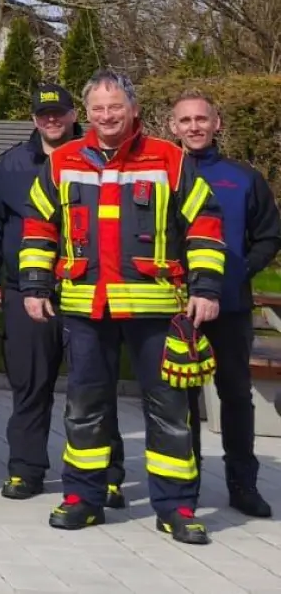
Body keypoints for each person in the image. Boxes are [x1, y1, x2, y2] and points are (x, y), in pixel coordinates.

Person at [21, 69, 225, 545]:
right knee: (84, 407)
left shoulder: (169, 159)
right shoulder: (63, 160)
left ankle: (176, 507)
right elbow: (37, 226)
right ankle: (83, 499)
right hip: (85, 307)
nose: (107, 116)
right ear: (86, 114)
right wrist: (33, 284)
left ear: (132, 109)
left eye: (116, 107)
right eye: (98, 108)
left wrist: (207, 289)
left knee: (170, 409)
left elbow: (204, 226)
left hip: (157, 309)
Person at [0, 84, 126, 503]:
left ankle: (106, 474)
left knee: (95, 386)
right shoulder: (9, 167)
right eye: (44, 114)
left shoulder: (98, 160)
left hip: (87, 290)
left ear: (73, 114)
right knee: (30, 384)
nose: (51, 120)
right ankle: (26, 471)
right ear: (33, 118)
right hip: (25, 292)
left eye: (58, 113)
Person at [170, 89, 278, 519]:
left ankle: (242, 484)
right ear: (172, 127)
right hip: (175, 306)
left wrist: (235, 273)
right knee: (179, 399)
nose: (194, 127)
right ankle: (184, 485)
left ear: (217, 124)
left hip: (229, 305)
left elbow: (269, 235)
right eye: (185, 120)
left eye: (202, 119)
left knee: (235, 395)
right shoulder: (163, 174)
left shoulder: (244, 178)